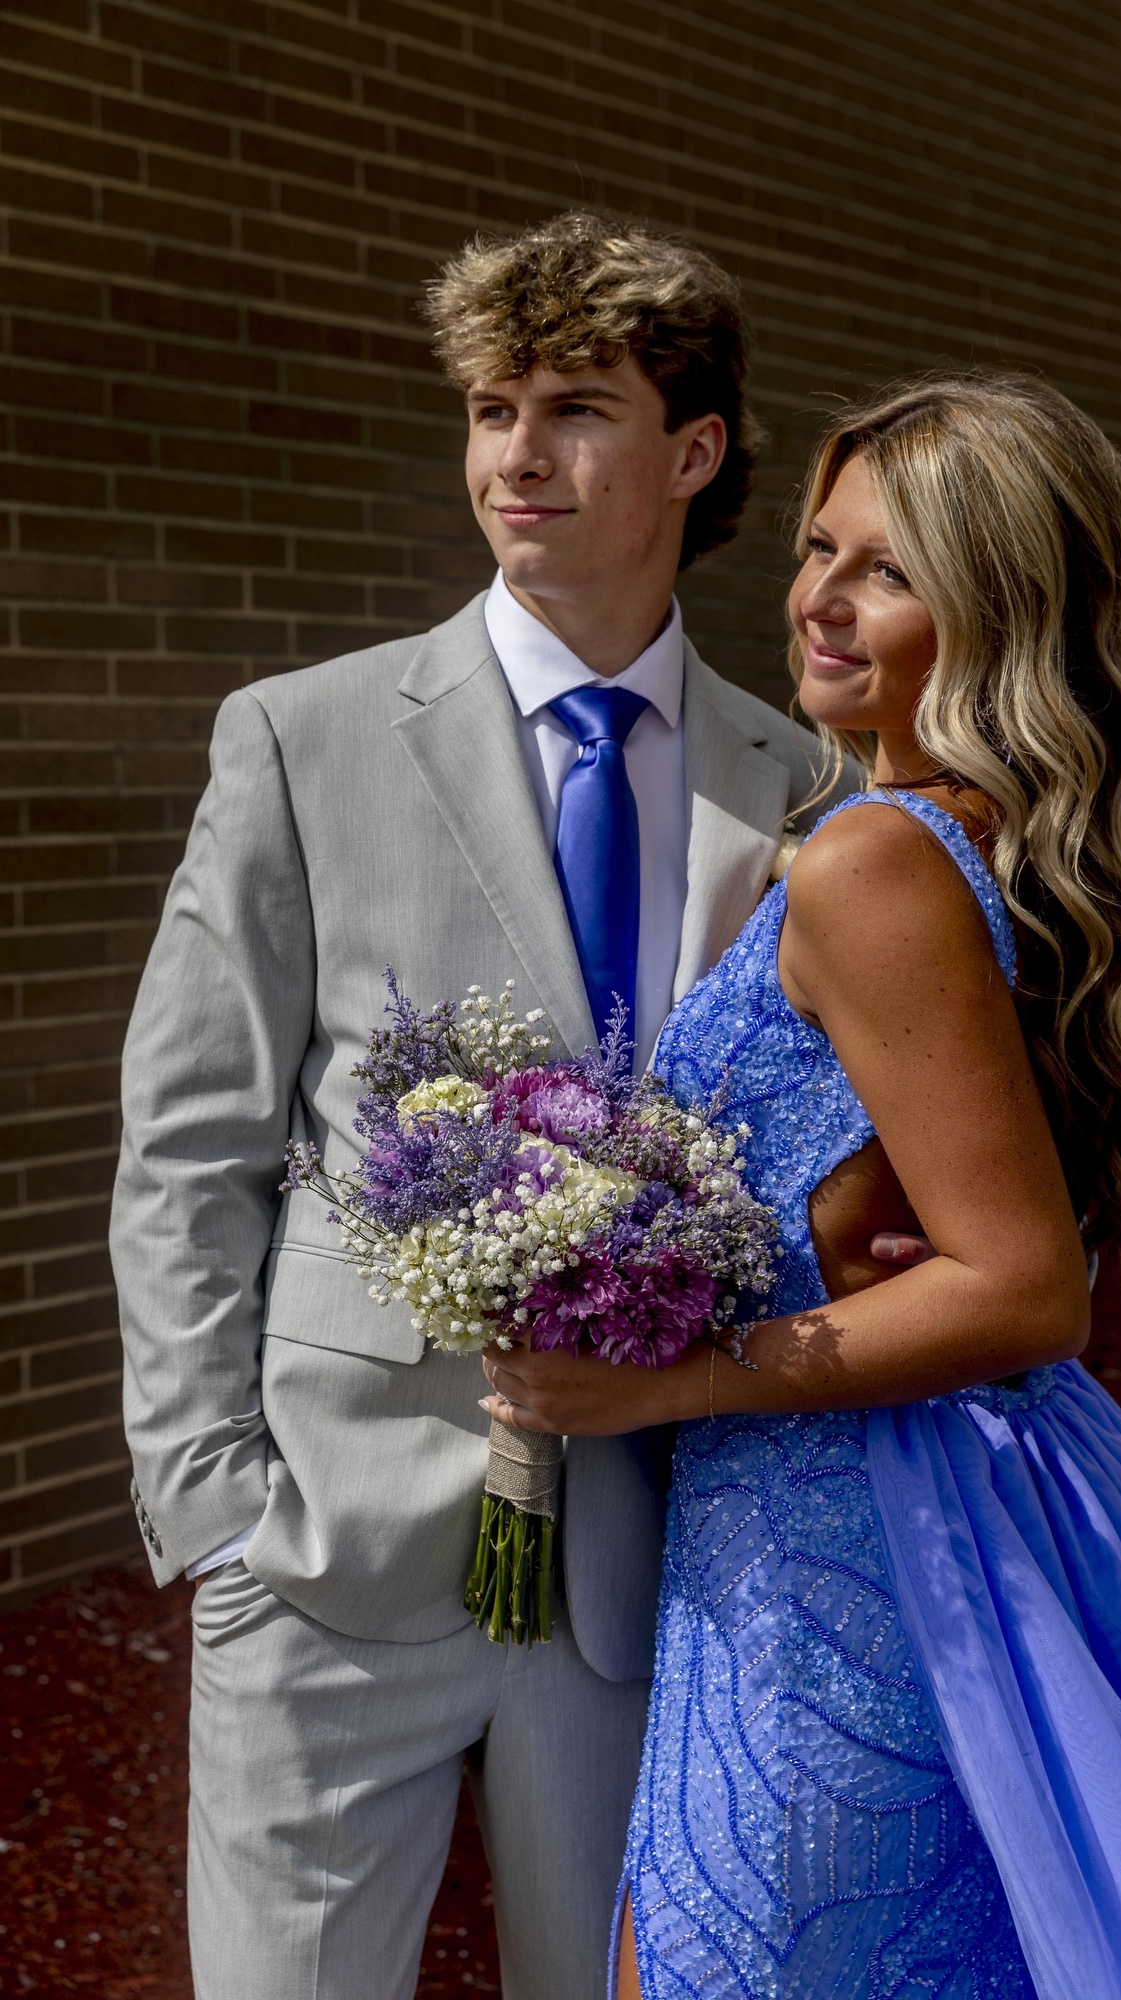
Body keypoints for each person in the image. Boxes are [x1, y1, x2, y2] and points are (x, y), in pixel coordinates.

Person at [479, 372, 1121, 1999]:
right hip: (961, 1504)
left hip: (847, 1563)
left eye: (888, 569)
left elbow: (1023, 1287)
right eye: (817, 549)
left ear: (1002, 610)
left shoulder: (876, 862)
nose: (819, 597)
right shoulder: (978, 838)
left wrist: (660, 1382)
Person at [109, 211, 856, 2000]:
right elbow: (189, 1147)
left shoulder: (802, 782)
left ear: (692, 451)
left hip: (658, 1560)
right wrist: (213, 1501)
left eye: (576, 406)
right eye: (489, 406)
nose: (517, 455)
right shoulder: (302, 737)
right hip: (323, 1544)